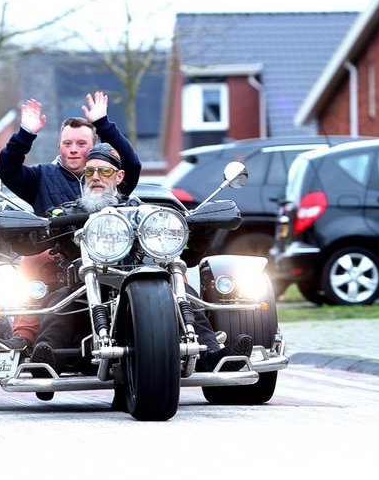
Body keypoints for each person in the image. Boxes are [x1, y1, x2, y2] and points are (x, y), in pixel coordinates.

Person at [24, 144, 253, 387]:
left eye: (105, 171)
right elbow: (36, 240)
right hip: (84, 291)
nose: (96, 177)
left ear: (119, 176)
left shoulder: (143, 211)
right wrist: (40, 229)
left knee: (185, 295)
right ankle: (47, 361)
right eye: (90, 172)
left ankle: (213, 356)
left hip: (144, 287)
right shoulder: (67, 213)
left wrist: (201, 229)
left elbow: (188, 256)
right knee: (60, 302)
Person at [0, 92, 141, 351]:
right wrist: (26, 133)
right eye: (67, 143)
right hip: (60, 251)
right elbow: (7, 170)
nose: (73, 149)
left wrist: (103, 123)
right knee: (32, 259)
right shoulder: (41, 176)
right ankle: (23, 336)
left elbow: (131, 164)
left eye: (81, 143)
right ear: (59, 147)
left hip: (115, 251)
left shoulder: (110, 177)